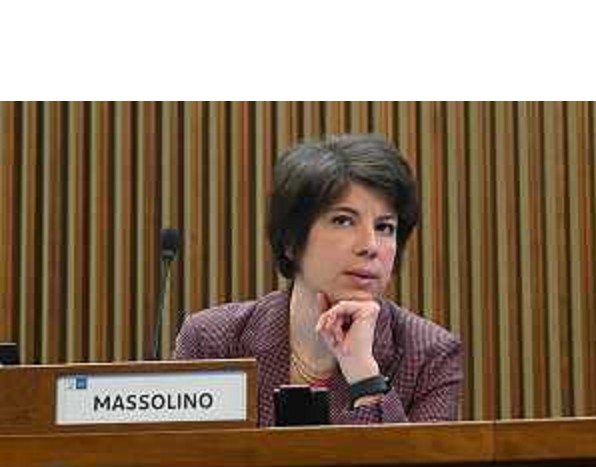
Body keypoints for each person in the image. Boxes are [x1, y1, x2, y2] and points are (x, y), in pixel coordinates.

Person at [175, 134, 462, 425]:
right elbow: (182, 452)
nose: (370, 245)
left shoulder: (429, 354)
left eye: (385, 227)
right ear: (291, 240)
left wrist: (365, 377)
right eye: (343, 221)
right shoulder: (213, 342)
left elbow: (414, 458)